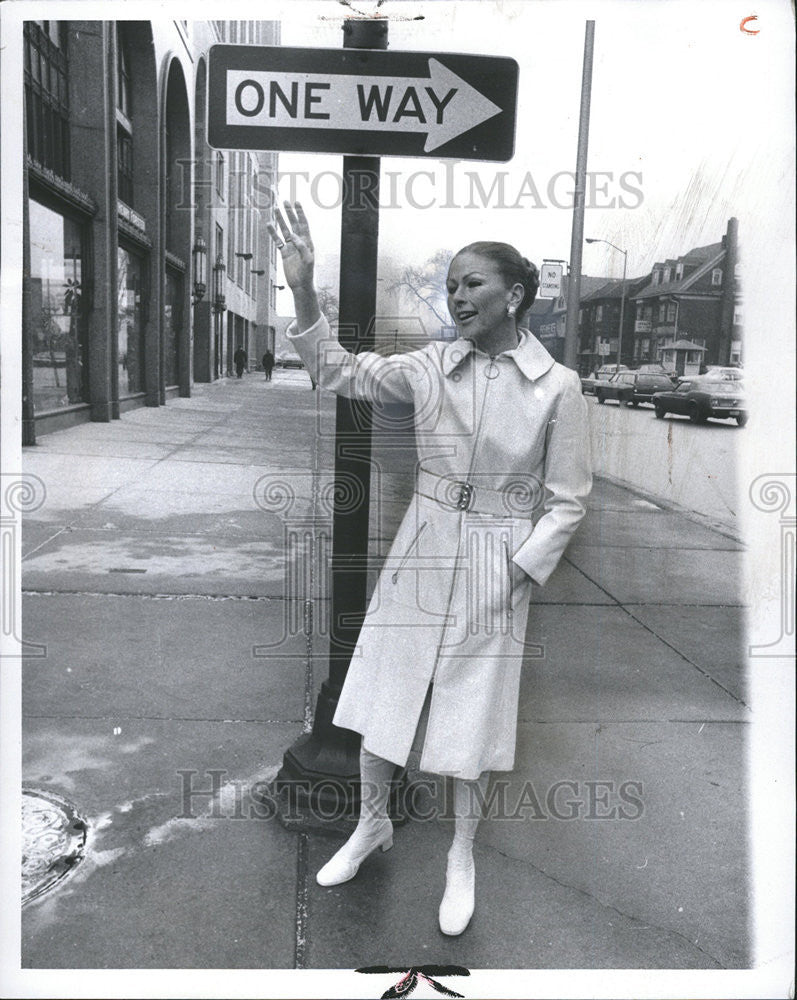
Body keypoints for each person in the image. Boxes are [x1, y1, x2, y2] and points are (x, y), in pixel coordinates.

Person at [269, 202, 592, 936]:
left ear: (513, 295)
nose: (455, 296)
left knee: (467, 714)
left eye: (471, 284)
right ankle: (372, 826)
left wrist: (516, 570)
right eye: (450, 285)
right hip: (421, 543)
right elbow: (337, 371)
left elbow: (569, 501)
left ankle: (460, 858)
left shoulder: (557, 388)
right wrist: (302, 289)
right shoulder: (429, 367)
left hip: (495, 558)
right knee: (387, 690)